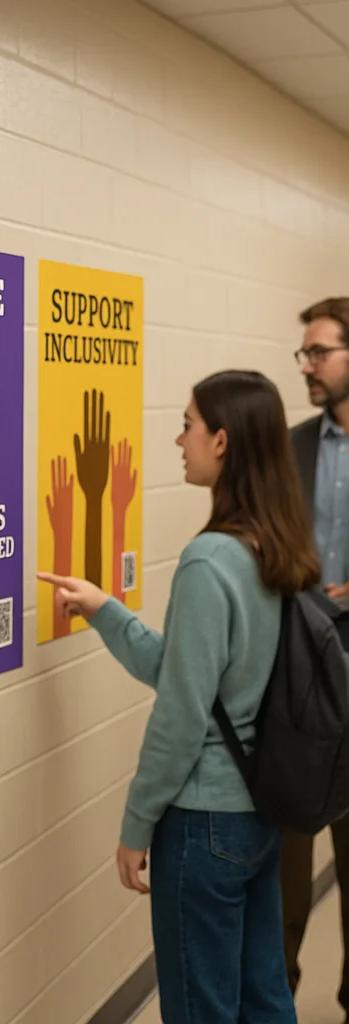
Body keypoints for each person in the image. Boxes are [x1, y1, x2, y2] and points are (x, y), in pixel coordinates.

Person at [39, 370, 318, 1024]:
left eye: (188, 425)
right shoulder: (274, 545)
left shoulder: (209, 560)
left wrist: (136, 826)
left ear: (221, 441)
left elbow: (181, 716)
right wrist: (108, 611)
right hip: (257, 814)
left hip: (203, 825)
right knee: (264, 1000)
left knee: (200, 1012)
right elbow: (197, 676)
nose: (177, 439)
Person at [283, 297, 349, 1017]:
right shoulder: (292, 447)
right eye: (303, 353)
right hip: (300, 689)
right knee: (286, 892)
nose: (306, 365)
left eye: (319, 352)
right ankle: (279, 1004)